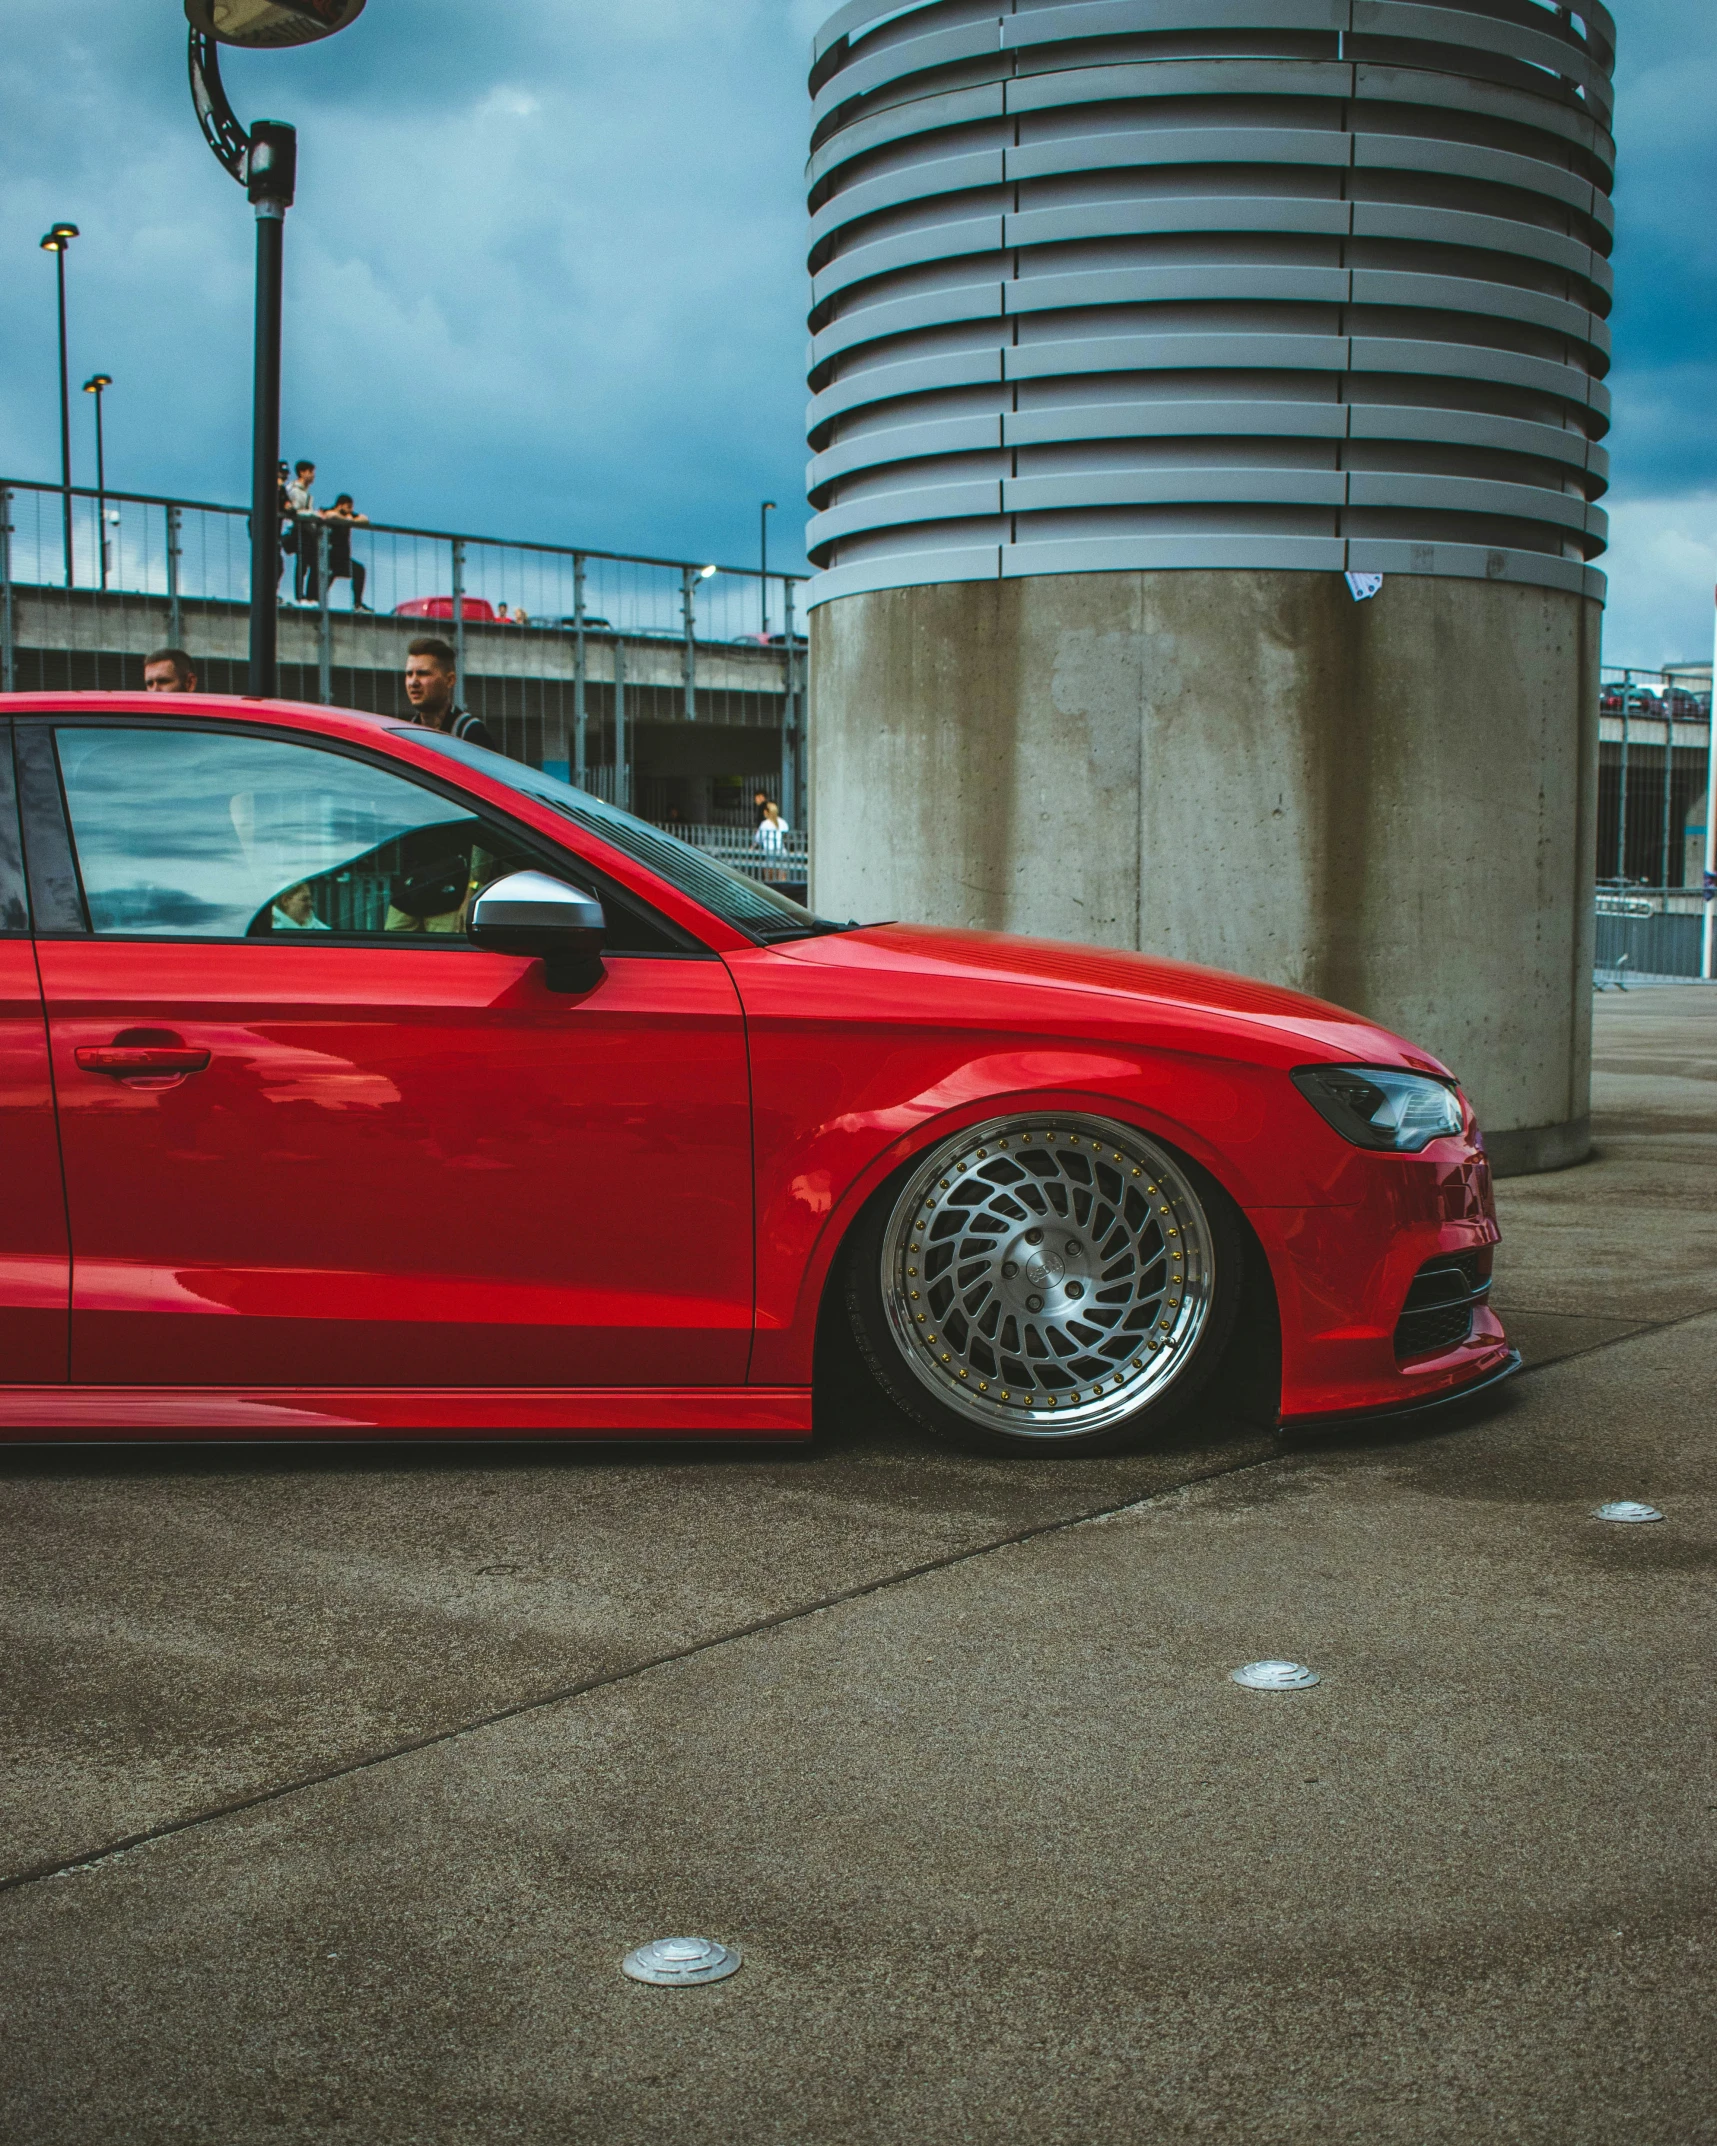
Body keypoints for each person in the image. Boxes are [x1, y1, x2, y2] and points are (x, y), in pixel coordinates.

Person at [403, 636, 494, 750]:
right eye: (409, 674)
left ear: (450, 680)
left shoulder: (470, 733)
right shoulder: (407, 733)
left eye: (423, 674)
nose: (413, 682)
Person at [318, 493, 370, 611]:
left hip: (343, 559)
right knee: (324, 582)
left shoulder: (348, 515)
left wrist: (350, 520)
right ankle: (317, 603)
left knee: (358, 570)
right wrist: (346, 520)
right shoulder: (330, 511)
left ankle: (357, 603)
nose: (351, 510)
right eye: (348, 507)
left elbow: (365, 519)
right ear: (340, 505)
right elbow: (330, 515)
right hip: (329, 557)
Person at [285, 460, 316, 600]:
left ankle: (309, 596)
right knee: (302, 564)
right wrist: (314, 515)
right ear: (302, 472)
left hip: (307, 531)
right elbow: (295, 512)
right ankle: (299, 596)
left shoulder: (308, 494)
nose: (313, 475)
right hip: (298, 530)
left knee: (311, 563)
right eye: (310, 472)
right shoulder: (293, 490)